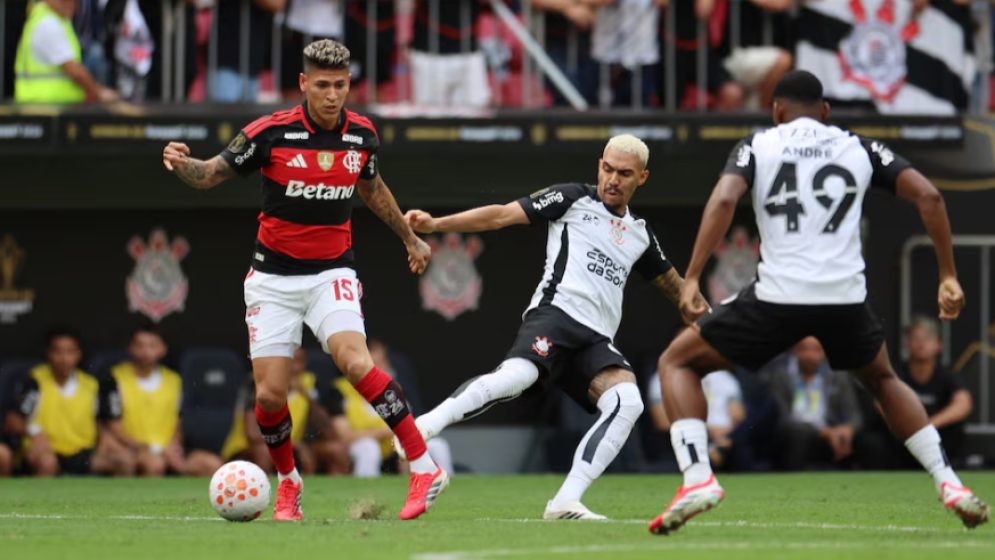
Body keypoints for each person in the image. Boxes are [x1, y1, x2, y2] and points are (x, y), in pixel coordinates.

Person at [650, 70, 989, 535]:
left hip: (777, 296)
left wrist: (691, 276)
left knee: (677, 362)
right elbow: (929, 196)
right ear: (826, 111)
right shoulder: (858, 146)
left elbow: (725, 199)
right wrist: (948, 273)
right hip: (843, 297)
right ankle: (949, 483)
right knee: (884, 380)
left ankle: (697, 479)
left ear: (776, 110)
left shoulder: (758, 144)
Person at [161, 39, 445, 521]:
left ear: (348, 84)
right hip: (271, 279)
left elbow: (372, 189)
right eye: (322, 86)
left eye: (340, 85)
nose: (332, 95)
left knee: (354, 361)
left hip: (331, 272)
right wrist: (179, 161)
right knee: (270, 397)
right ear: (303, 84)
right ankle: (289, 483)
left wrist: (410, 239)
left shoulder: (361, 136)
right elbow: (209, 174)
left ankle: (423, 467)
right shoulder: (270, 133)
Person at [400, 134, 703, 520]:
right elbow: (500, 215)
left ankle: (565, 502)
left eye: (624, 173)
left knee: (628, 402)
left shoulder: (640, 235)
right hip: (555, 316)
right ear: (599, 165)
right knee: (517, 376)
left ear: (642, 177)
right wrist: (436, 224)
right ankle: (423, 426)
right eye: (607, 169)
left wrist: (711, 319)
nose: (612, 179)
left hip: (595, 341)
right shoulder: (572, 199)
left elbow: (677, 288)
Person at [12, 328, 133, 477]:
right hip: (47, 451)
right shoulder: (34, 381)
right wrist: (34, 432)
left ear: (78, 355)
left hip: (81, 453)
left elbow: (97, 422)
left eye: (70, 352)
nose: (63, 358)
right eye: (58, 352)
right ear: (48, 353)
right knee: (47, 462)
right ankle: (40, 500)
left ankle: (118, 500)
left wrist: (105, 438)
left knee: (124, 461)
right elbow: (14, 421)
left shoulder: (91, 385)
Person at [101, 325, 185, 477]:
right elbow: (114, 428)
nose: (146, 351)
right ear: (130, 348)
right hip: (134, 451)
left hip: (167, 450)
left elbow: (177, 423)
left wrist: (174, 448)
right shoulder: (115, 377)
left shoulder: (174, 381)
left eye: (152, 346)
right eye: (140, 345)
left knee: (208, 465)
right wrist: (156, 449)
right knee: (154, 464)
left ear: (163, 349)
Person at [766, 337, 861, 471]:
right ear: (795, 350)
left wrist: (848, 429)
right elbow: (783, 417)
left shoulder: (837, 376)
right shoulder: (782, 376)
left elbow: (854, 414)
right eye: (804, 349)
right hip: (796, 434)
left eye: (816, 350)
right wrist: (823, 432)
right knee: (798, 436)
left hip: (830, 435)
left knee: (865, 442)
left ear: (824, 352)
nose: (810, 355)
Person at [14, 0, 118, 103]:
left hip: (50, 106)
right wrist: (99, 92)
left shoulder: (56, 19)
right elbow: (73, 70)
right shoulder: (48, 23)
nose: (72, 4)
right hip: (43, 106)